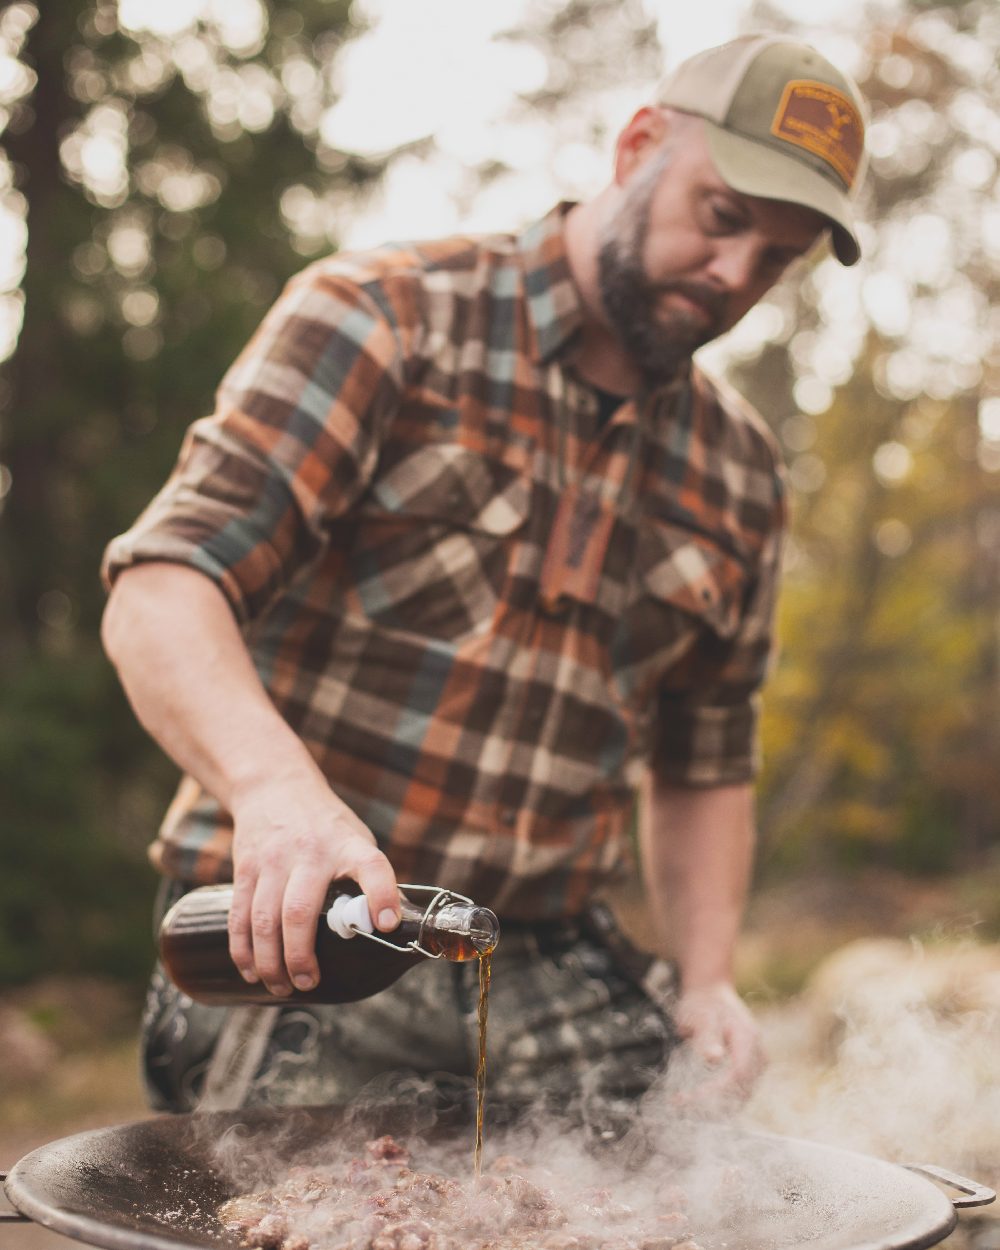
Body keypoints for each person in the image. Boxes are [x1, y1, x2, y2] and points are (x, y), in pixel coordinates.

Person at [101, 33, 868, 1127]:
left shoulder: (742, 470)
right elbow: (164, 586)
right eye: (722, 216)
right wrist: (276, 794)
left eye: (776, 258)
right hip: (319, 928)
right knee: (308, 1203)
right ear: (638, 146)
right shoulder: (385, 315)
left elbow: (707, 757)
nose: (735, 274)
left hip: (548, 955)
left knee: (695, 1183)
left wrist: (707, 978)